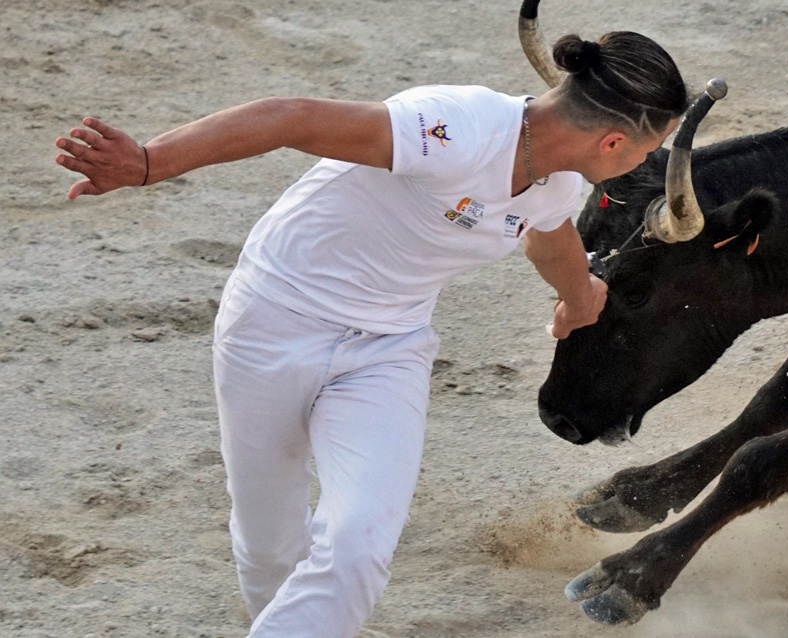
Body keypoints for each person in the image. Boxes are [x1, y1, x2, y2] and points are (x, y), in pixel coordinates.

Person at [55, 30, 688, 638]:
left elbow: (550, 236)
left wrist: (578, 299)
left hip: (388, 349)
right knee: (270, 542)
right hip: (273, 320)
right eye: (648, 149)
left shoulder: (559, 181)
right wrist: (146, 163)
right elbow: (289, 116)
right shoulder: (456, 127)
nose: (647, 164)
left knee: (358, 544)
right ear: (611, 143)